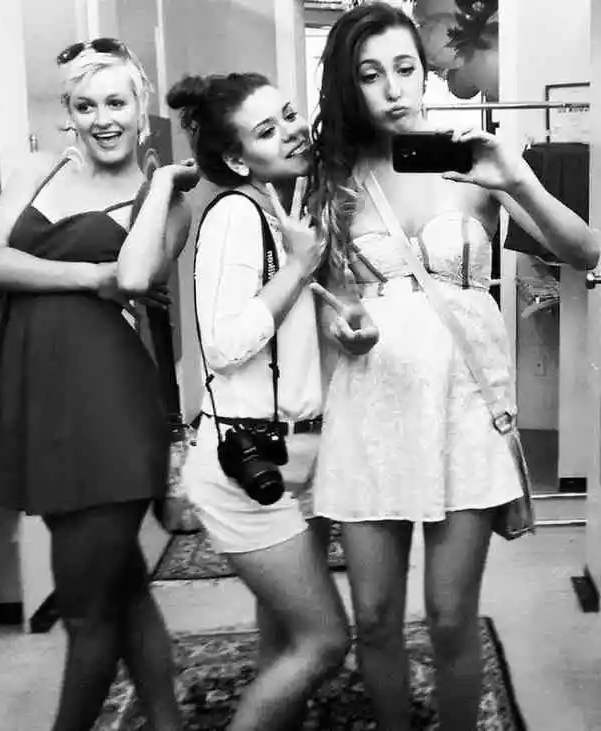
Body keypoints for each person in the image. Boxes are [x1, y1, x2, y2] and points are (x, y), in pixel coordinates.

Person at [307, 4, 600, 731]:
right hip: (369, 410)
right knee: (375, 616)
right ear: (349, 85)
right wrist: (341, 327)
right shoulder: (334, 179)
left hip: (463, 410)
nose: (393, 88)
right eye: (370, 74)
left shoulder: (474, 162)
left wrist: (517, 180)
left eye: (405, 67)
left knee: (447, 615)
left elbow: (585, 250)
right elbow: (330, 300)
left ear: (426, 72)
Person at [0, 37, 198, 731]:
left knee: (86, 612)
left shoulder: (163, 199)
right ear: (68, 112)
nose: (103, 119)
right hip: (36, 398)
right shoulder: (39, 169)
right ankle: (168, 721)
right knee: (123, 590)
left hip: (108, 409)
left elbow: (138, 275)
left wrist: (160, 185)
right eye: (86, 105)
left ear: (140, 108)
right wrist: (91, 275)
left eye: (116, 103)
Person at [165, 72, 351, 731]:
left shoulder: (285, 210)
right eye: (267, 130)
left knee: (285, 638)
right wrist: (298, 267)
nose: (292, 132)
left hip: (300, 457)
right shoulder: (235, 215)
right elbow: (224, 345)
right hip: (246, 464)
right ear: (239, 158)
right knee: (325, 641)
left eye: (290, 115)